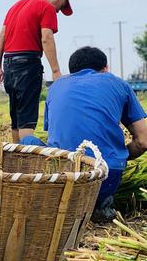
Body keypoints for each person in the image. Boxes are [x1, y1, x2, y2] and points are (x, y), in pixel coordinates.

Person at [22, 46, 147, 222]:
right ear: (105, 69)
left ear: (72, 72)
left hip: (63, 176)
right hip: (105, 175)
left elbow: (58, 135)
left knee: (27, 140)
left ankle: (51, 198)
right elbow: (143, 140)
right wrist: (120, 157)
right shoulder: (119, 84)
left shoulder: (56, 87)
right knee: (110, 160)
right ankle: (101, 203)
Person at [0, 0, 73, 143]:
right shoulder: (46, 7)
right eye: (60, 8)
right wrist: (56, 71)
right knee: (27, 117)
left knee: (16, 116)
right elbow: (46, 38)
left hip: (9, 63)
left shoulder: (16, 5)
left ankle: (15, 157)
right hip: (27, 64)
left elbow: (1, 36)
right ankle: (24, 159)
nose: (57, 12)